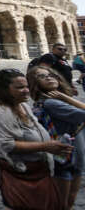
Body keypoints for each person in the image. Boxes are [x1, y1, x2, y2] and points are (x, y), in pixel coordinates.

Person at [0, 68, 71, 210]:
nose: (26, 90)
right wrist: (46, 146)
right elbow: (6, 144)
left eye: (26, 86)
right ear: (4, 90)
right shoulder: (1, 112)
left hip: (37, 169)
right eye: (20, 87)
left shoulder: (22, 105)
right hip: (23, 173)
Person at [27, 66, 85, 210]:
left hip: (71, 155)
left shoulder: (53, 101)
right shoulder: (52, 102)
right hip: (67, 158)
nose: (48, 77)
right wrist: (64, 97)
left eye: (50, 74)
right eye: (41, 76)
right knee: (63, 203)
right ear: (35, 84)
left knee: (68, 200)